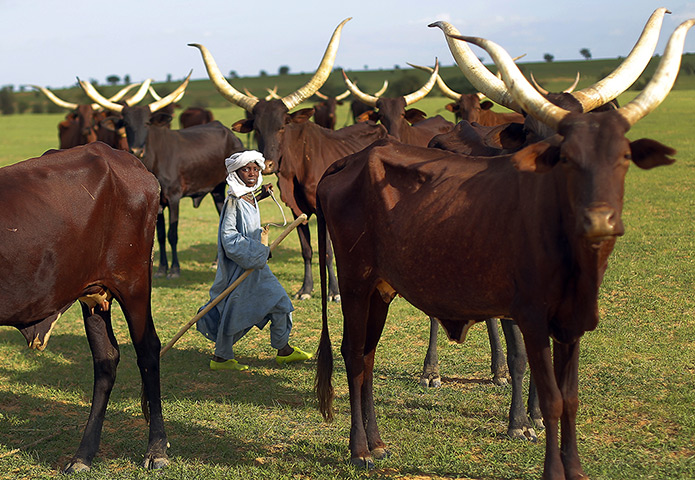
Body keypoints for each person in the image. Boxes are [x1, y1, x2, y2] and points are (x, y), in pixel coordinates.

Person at [196, 150, 312, 371]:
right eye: (246, 169)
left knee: (280, 303)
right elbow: (229, 238)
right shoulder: (233, 199)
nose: (251, 173)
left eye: (255, 169)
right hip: (240, 269)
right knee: (235, 310)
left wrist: (260, 195)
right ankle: (221, 358)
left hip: (255, 265)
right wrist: (259, 251)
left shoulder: (248, 195)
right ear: (236, 173)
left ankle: (283, 349)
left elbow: (247, 207)